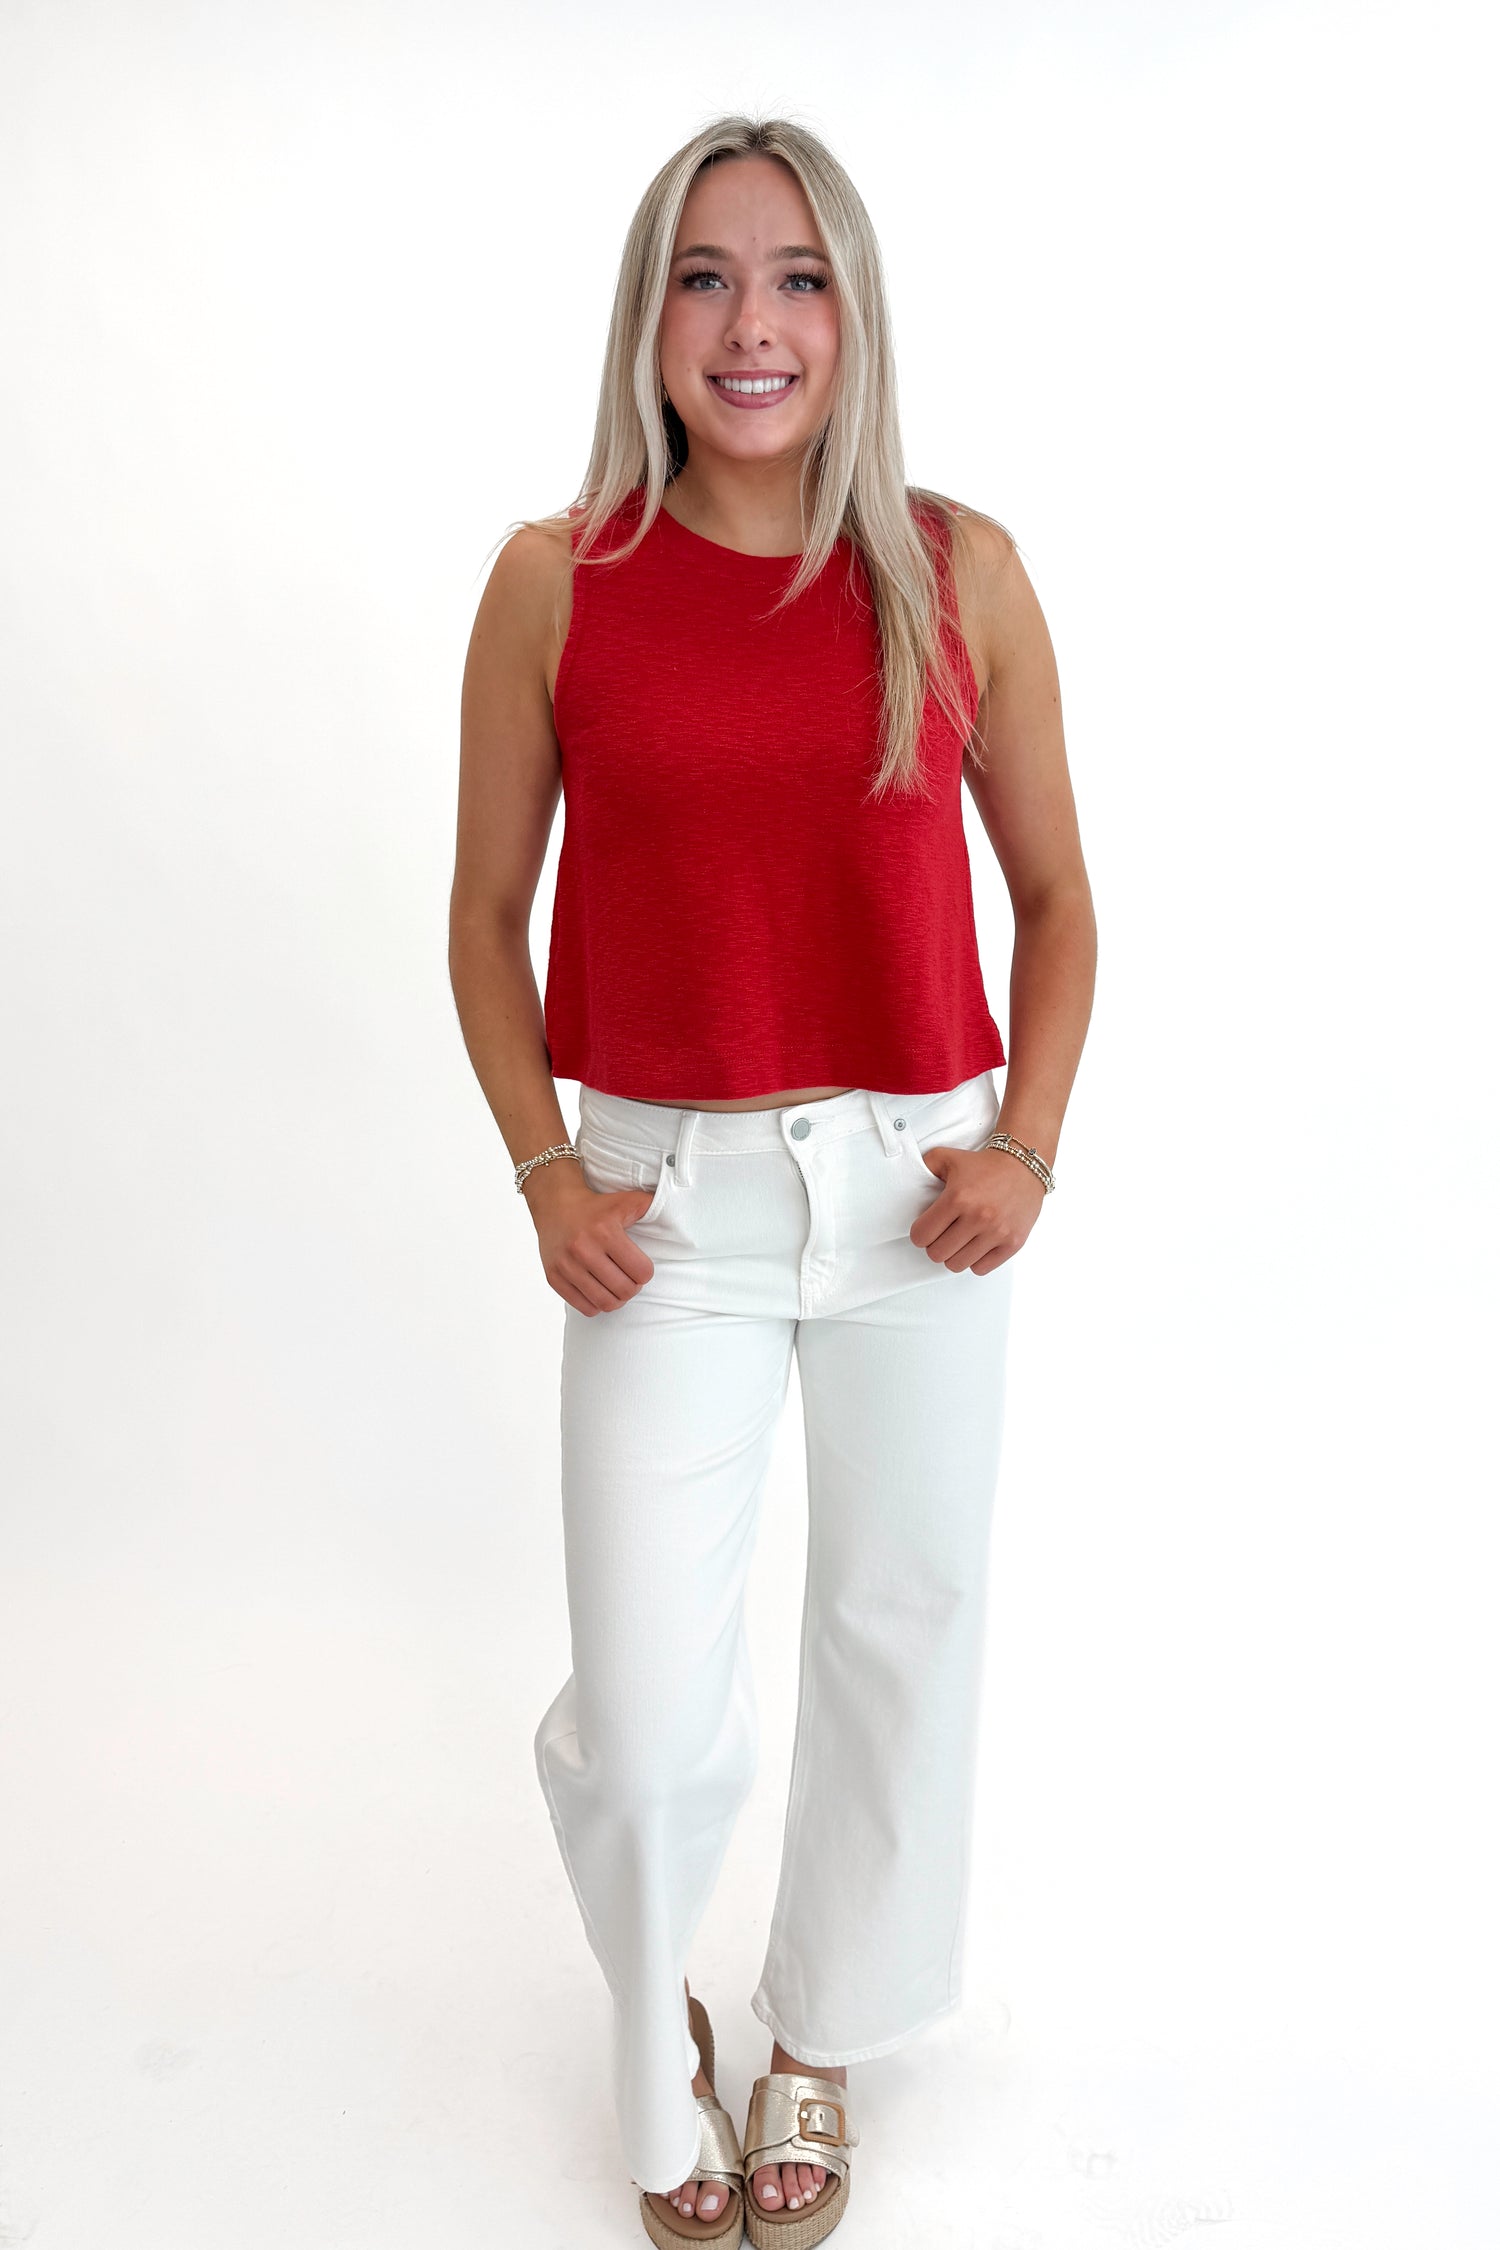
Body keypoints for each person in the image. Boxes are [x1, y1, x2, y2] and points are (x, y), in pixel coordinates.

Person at [449, 113, 1096, 2249]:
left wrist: (1024, 1142)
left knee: (901, 1629)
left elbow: (1061, 901)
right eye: (707, 277)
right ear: (649, 316)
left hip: (922, 1191)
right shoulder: (559, 578)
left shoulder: (957, 564)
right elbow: (479, 913)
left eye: (797, 276)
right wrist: (547, 1167)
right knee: (644, 1731)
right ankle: (668, 2065)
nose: (753, 324)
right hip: (661, 1208)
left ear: (856, 313)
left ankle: (816, 2029)